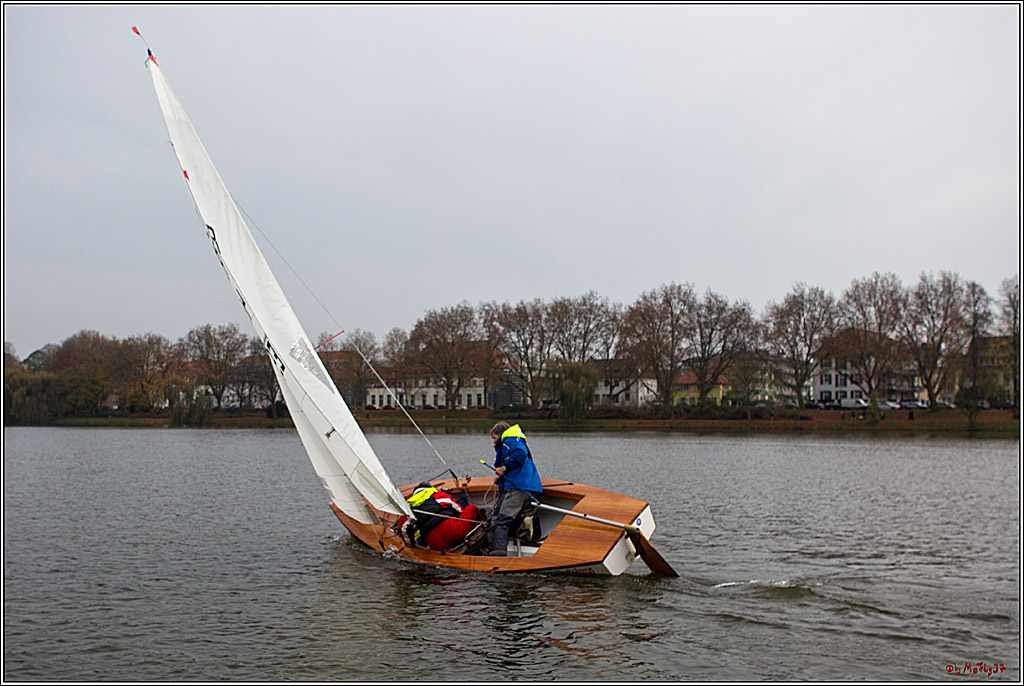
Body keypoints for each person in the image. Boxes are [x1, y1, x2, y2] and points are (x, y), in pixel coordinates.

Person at [487, 422, 543, 556]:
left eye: (494, 438)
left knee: (500, 520)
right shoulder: (518, 439)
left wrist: (504, 468)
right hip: (530, 487)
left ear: (500, 434)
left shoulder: (509, 440)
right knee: (520, 518)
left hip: (517, 488)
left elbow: (520, 454)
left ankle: (497, 557)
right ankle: (523, 549)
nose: (493, 442)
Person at [398, 482, 482, 552]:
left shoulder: (408, 506)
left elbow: (403, 529)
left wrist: (411, 545)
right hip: (453, 531)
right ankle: (482, 528)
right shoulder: (439, 495)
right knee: (471, 508)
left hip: (434, 542)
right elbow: (459, 510)